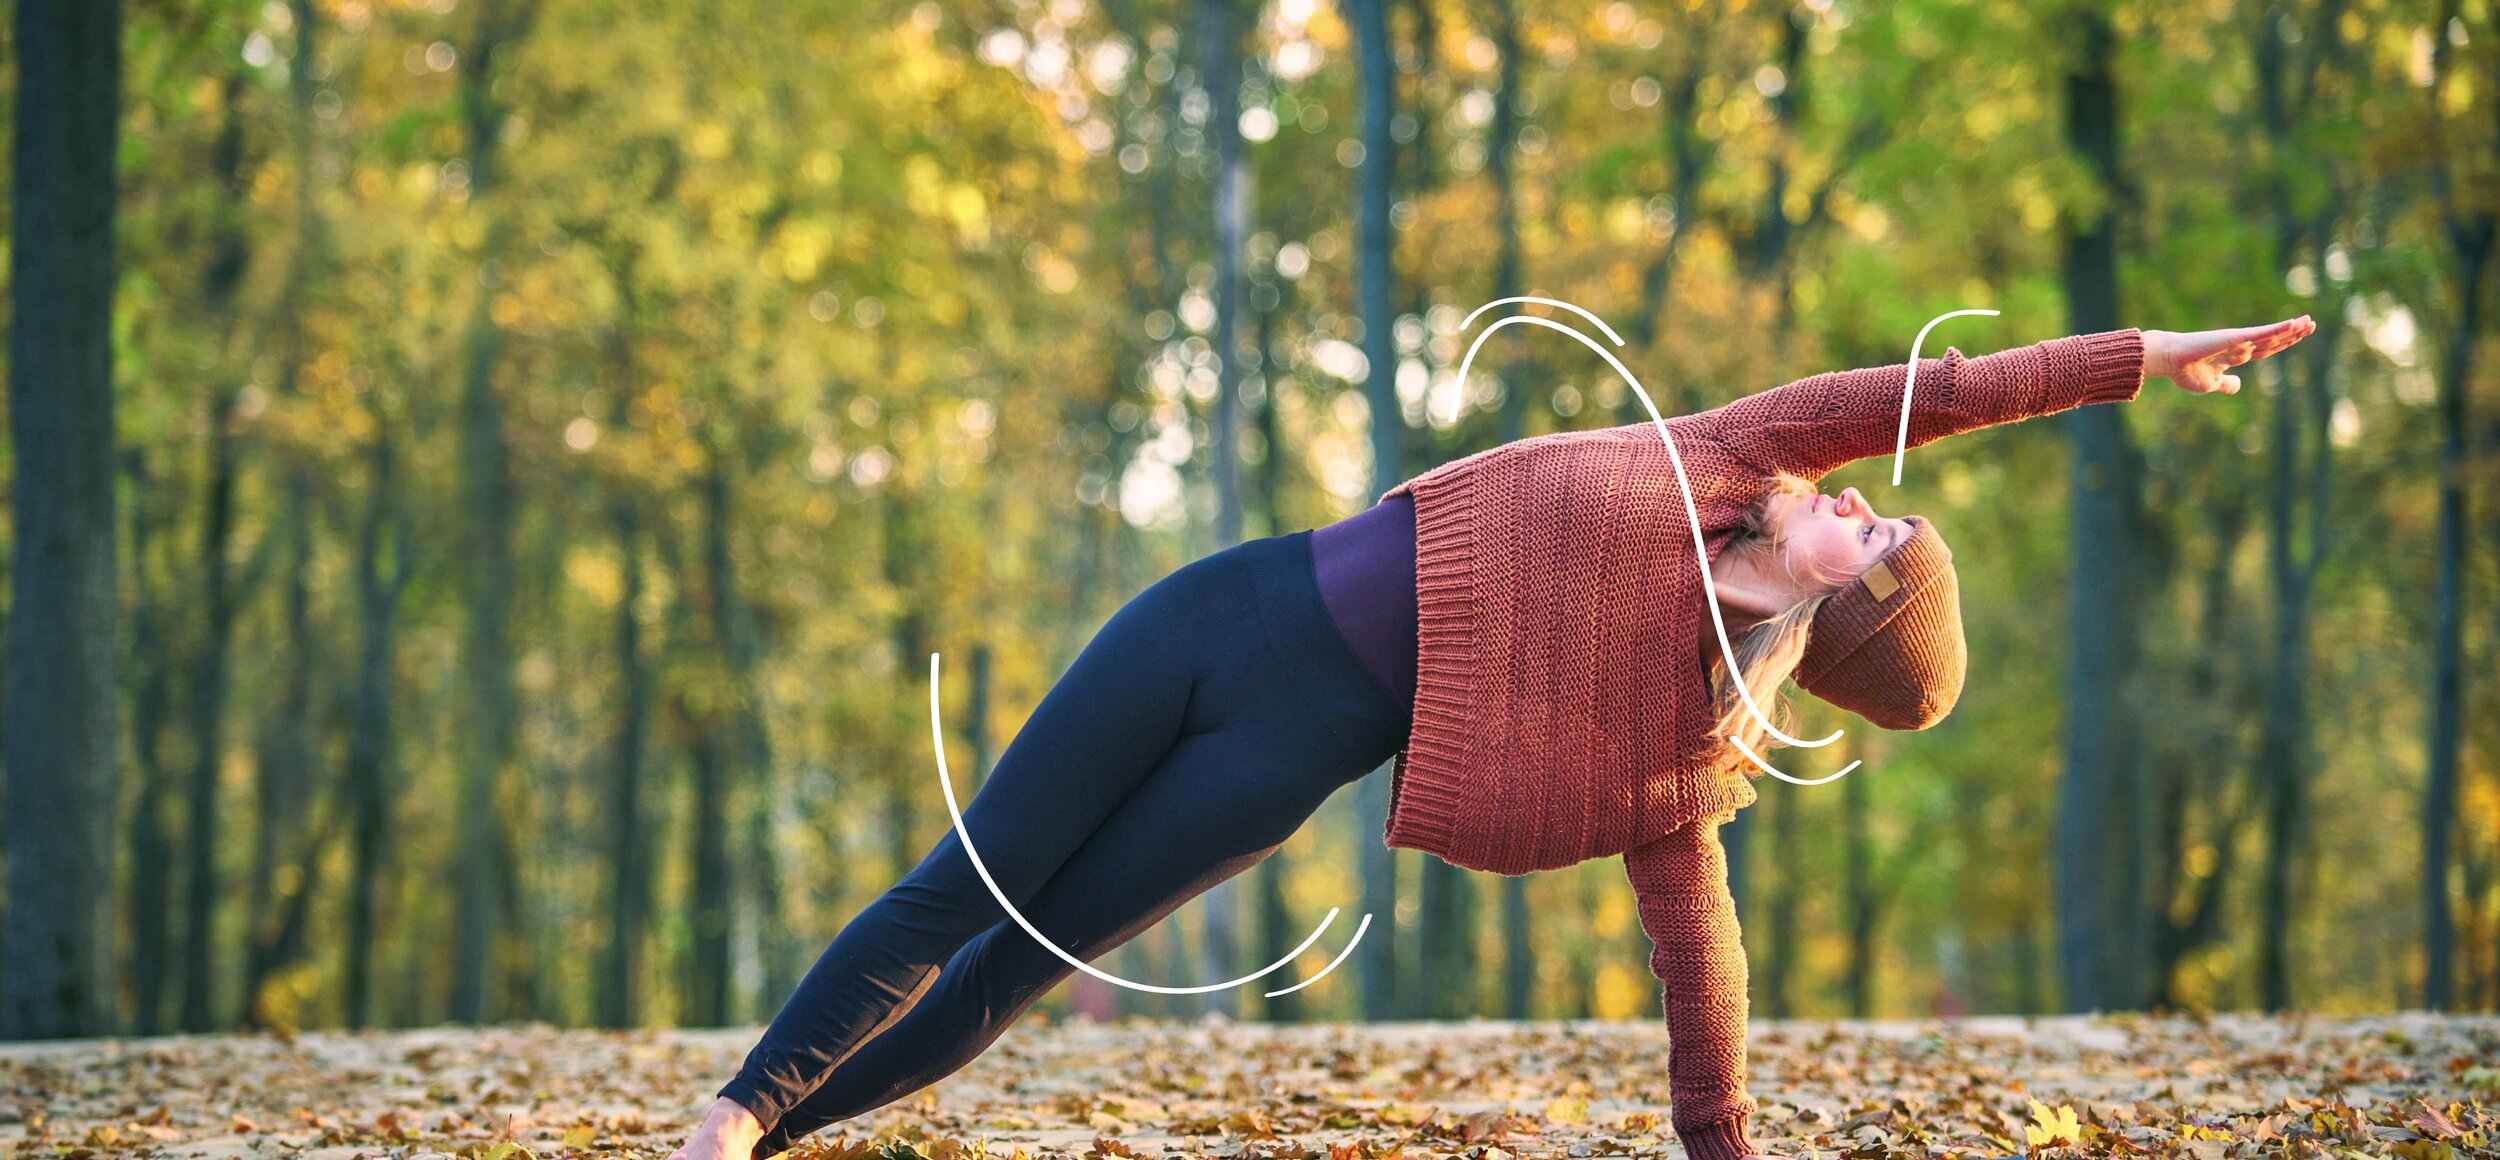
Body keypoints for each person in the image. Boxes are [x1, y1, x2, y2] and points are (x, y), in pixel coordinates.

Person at [665, 315, 2315, 1160]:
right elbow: (1946, 385)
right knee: (976, 879)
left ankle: (771, 1143)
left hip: (1279, 762)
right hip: (1219, 616)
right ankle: (733, 1120)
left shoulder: (1695, 750)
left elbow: (1702, 964)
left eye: (1880, 547)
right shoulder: (1730, 452)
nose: (1870, 505)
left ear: (1849, 623)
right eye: (1883, 510)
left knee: (1011, 974)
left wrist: (1721, 1149)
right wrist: (2140, 362)